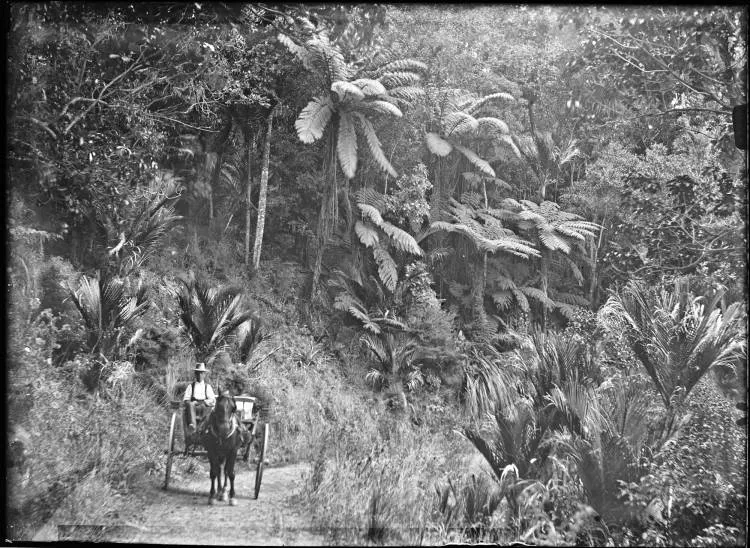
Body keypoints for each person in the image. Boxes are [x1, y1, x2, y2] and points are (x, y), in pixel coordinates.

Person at [183, 362, 216, 435]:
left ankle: (203, 428)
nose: (199, 375)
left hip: (204, 407)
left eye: (201, 373)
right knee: (190, 404)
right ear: (195, 374)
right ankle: (193, 426)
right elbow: (186, 400)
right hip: (193, 407)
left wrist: (204, 402)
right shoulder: (191, 386)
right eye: (197, 373)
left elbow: (213, 400)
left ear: (204, 374)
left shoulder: (207, 387)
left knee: (207, 409)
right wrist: (191, 402)